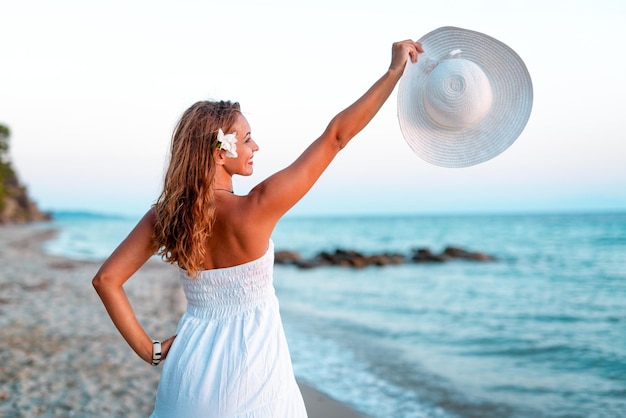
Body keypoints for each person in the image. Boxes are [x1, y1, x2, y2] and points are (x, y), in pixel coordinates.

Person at [92, 39, 423, 417]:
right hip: (254, 385)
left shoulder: (167, 216)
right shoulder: (257, 207)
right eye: (247, 139)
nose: (256, 147)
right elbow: (336, 137)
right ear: (220, 152)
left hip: (186, 381)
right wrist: (394, 72)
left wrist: (149, 351)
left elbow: (106, 280)